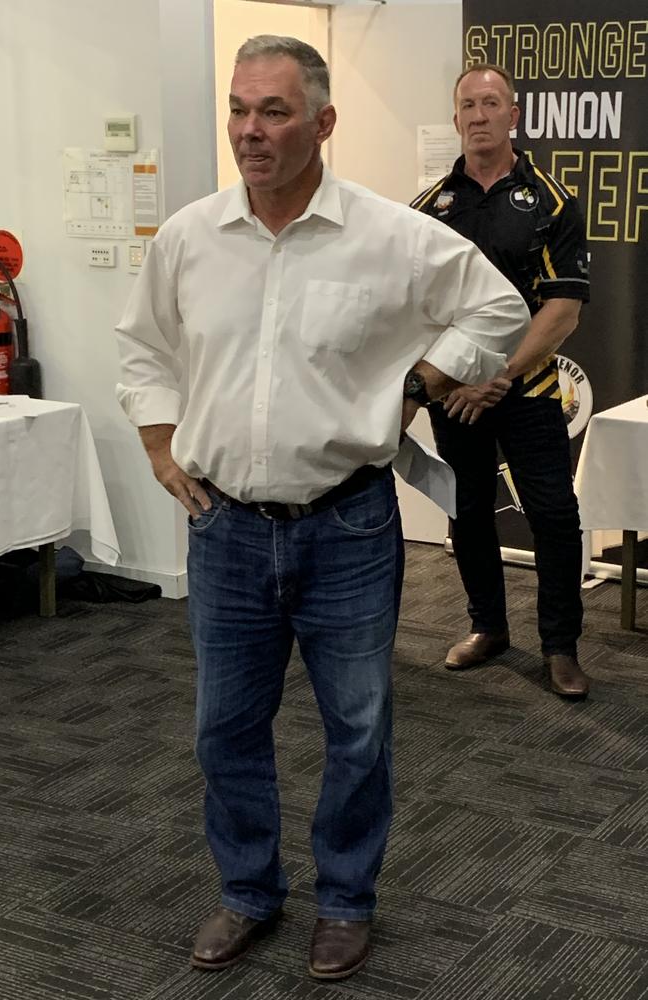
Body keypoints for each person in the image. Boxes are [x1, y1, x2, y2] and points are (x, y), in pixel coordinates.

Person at [115, 37, 528, 981]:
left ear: (324, 122)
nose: (250, 132)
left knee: (358, 728)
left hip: (348, 526)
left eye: (275, 111)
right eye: (239, 109)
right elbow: (142, 346)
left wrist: (422, 378)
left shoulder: (393, 236)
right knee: (224, 729)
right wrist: (154, 439)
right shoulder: (188, 237)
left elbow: (498, 311)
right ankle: (249, 893)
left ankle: (346, 899)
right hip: (224, 530)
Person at [412, 63, 590, 698]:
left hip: (530, 390)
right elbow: (417, 312)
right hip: (453, 396)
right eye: (468, 105)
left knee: (552, 515)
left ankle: (561, 647)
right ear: (456, 118)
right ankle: (487, 627)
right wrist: (442, 381)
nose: (479, 115)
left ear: (514, 116)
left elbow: (562, 311)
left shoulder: (551, 201)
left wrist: (496, 373)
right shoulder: (427, 210)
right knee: (468, 510)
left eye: (491, 104)